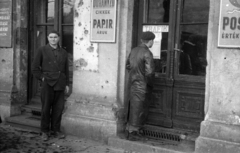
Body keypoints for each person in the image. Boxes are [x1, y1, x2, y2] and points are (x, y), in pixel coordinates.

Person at [32, 30, 69, 141]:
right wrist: (42, 78)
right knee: (46, 108)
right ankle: (44, 131)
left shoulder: (63, 52)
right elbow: (35, 68)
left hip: (60, 84)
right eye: (51, 37)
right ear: (48, 38)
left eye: (55, 37)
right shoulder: (42, 50)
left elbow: (66, 69)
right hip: (47, 83)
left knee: (58, 108)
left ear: (58, 38)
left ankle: (56, 130)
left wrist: (66, 84)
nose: (53, 39)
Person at [125, 31, 155, 138]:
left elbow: (128, 65)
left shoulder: (134, 50)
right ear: (150, 41)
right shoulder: (147, 53)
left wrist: (135, 75)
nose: (153, 43)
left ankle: (131, 129)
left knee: (134, 106)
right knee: (140, 108)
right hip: (143, 85)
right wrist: (149, 83)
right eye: (153, 41)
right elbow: (150, 72)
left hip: (133, 83)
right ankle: (134, 131)